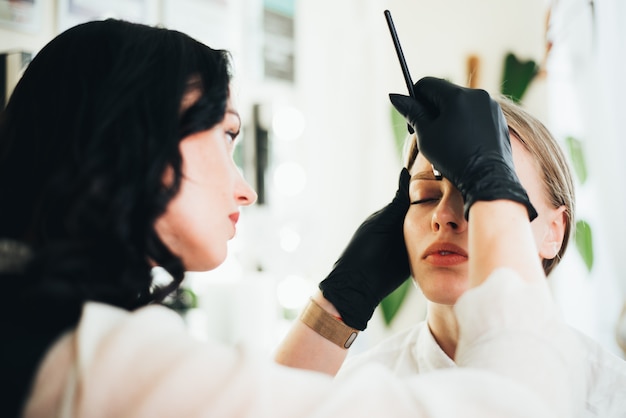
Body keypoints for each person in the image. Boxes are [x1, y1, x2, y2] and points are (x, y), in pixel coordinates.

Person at [0, 19, 582, 418]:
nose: (245, 189)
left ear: (555, 226)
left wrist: (340, 302)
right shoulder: (99, 364)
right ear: (132, 142)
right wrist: (493, 184)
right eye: (227, 136)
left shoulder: (52, 338)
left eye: (474, 197)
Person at [333, 85, 626, 417]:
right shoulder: (352, 393)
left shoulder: (612, 399)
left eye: (487, 194)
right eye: (425, 196)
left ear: (554, 232)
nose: (443, 216)